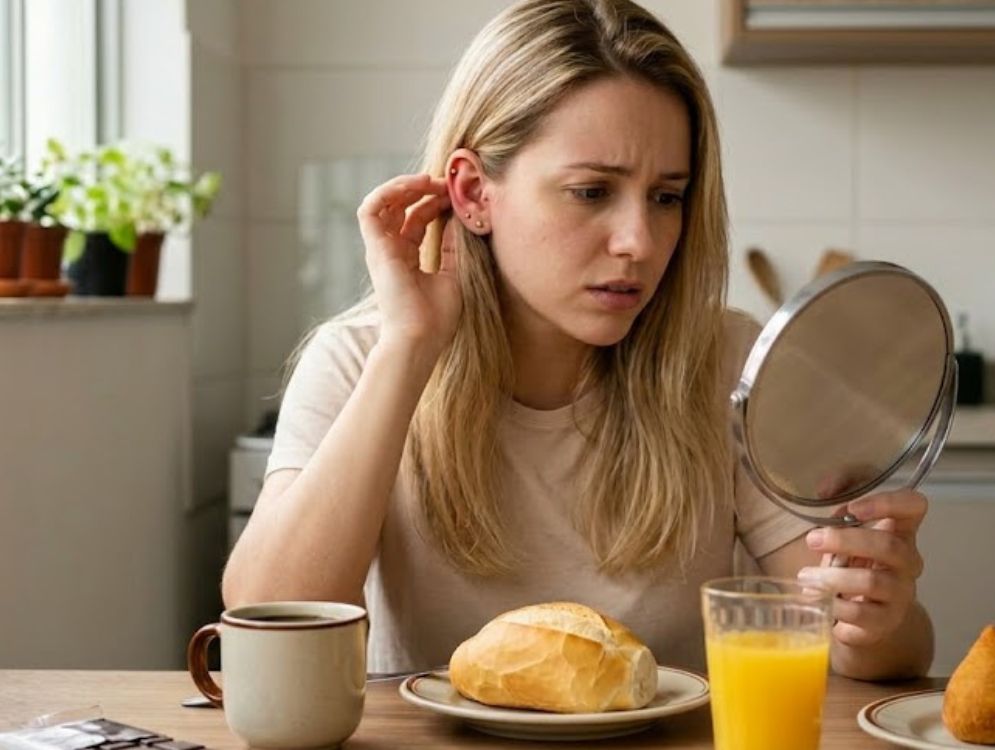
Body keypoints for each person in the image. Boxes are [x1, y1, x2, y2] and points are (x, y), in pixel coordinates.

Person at [222, 0, 933, 681]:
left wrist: (876, 616)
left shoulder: (724, 363)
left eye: (667, 197)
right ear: (472, 196)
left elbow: (876, 652)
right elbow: (263, 618)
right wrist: (409, 346)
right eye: (592, 191)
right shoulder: (359, 358)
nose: (640, 242)